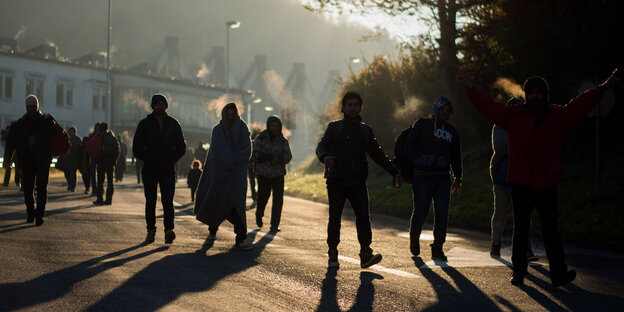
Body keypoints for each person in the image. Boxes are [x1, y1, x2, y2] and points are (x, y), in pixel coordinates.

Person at [457, 69, 620, 287]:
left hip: (547, 182)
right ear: (526, 95)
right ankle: (519, 272)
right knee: (521, 229)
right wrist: (472, 89)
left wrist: (603, 87)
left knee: (551, 229)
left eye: (538, 92)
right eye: (531, 92)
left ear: (545, 95)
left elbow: (580, 105)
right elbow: (490, 107)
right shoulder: (513, 116)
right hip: (521, 182)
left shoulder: (557, 116)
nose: (535, 96)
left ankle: (558, 273)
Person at [316, 91, 403, 269]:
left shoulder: (365, 130)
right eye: (350, 105)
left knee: (363, 217)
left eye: (356, 105)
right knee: (335, 218)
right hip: (336, 181)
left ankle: (365, 253)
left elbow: (377, 154)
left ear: (360, 107)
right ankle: (333, 252)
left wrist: (394, 170)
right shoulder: (334, 127)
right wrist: (324, 157)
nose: (353, 108)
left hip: (357, 182)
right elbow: (321, 146)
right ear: (343, 108)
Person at [405, 96, 463, 261]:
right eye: (442, 109)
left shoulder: (452, 131)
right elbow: (409, 147)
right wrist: (417, 160)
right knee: (421, 211)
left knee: (442, 212)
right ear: (435, 109)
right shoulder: (422, 124)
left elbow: (456, 155)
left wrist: (458, 177)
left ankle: (438, 247)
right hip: (422, 177)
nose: (444, 112)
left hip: (442, 178)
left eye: (447, 110)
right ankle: (414, 236)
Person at [194, 103, 252, 249]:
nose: (230, 117)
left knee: (236, 206)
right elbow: (218, 151)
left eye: (233, 114)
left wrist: (234, 161)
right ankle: (212, 233)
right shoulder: (218, 130)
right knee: (217, 203)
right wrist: (228, 161)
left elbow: (246, 149)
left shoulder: (243, 128)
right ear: (224, 114)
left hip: (237, 175)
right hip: (220, 174)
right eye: (228, 114)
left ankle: (241, 238)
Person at [133, 93, 186, 244]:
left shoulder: (173, 124)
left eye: (162, 104)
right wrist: (148, 157)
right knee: (150, 201)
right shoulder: (145, 124)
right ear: (153, 106)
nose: (160, 106)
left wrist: (172, 158)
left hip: (168, 169)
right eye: (157, 104)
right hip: (149, 169)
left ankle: (169, 230)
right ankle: (151, 230)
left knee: (167, 201)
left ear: (166, 106)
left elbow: (181, 147)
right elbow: (136, 147)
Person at [489, 98, 538, 261]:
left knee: (523, 215)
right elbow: (502, 148)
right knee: (501, 212)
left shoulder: (528, 125)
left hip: (521, 177)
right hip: (502, 177)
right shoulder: (500, 125)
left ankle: (527, 248)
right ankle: (496, 243)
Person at [3, 95, 58, 226]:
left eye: (34, 106)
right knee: (27, 189)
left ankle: (39, 215)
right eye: (30, 107)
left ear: (37, 106)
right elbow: (11, 143)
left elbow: (54, 135)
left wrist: (51, 119)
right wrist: (7, 159)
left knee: (41, 188)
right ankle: (30, 213)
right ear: (26, 107)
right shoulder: (20, 124)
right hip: (26, 161)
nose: (32, 109)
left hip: (42, 161)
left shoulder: (45, 121)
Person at [252, 116, 292, 232]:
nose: (274, 128)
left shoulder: (282, 140)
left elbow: (288, 156)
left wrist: (278, 159)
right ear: (268, 126)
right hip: (264, 174)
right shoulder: (261, 138)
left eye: (276, 126)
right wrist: (267, 159)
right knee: (263, 197)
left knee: (278, 200)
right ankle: (259, 214)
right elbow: (254, 155)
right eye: (272, 126)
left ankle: (274, 224)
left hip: (278, 174)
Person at [93, 123, 119, 205]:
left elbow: (96, 150)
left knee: (100, 182)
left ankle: (100, 199)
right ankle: (109, 199)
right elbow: (118, 151)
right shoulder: (113, 138)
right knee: (110, 181)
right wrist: (114, 161)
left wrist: (97, 160)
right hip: (111, 164)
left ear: (100, 130)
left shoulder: (100, 138)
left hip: (101, 162)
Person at [62, 126, 83, 192]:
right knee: (67, 173)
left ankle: (72, 186)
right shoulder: (66, 138)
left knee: (73, 173)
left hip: (74, 158)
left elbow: (79, 148)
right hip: (67, 158)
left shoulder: (77, 139)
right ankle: (69, 184)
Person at [248, 124, 261, 202]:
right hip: (256, 163)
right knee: (258, 181)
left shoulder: (251, 138)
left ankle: (254, 194)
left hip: (252, 163)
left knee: (253, 181)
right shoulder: (260, 139)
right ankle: (256, 194)